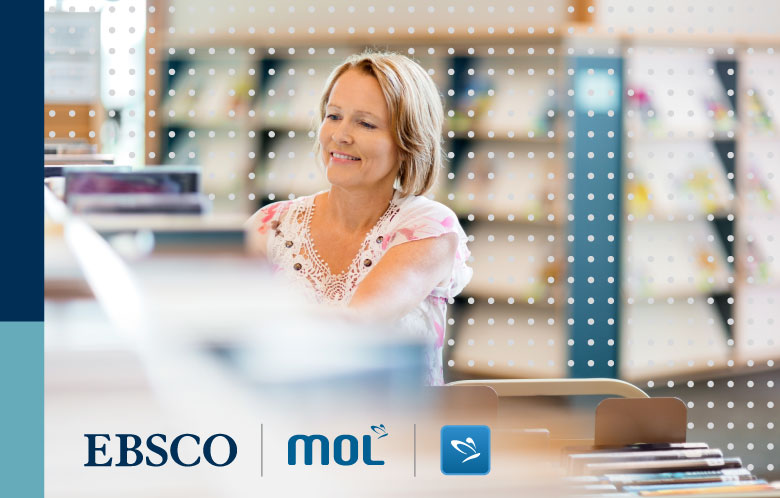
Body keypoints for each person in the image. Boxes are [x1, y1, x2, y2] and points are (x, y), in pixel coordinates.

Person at [246, 51, 472, 386]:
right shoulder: (273, 223)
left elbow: (360, 325)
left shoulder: (429, 229)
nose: (340, 135)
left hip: (394, 433)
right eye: (333, 116)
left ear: (408, 141)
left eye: (365, 123)